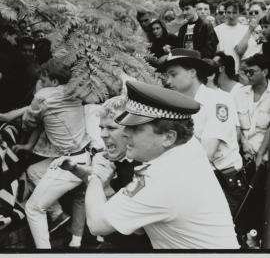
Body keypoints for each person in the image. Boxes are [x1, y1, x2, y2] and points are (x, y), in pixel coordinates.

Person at [83, 80, 239, 249]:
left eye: (135, 128)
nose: (125, 133)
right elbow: (139, 229)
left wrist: (96, 176)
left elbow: (96, 224)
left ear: (168, 137)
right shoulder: (187, 147)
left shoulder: (160, 179)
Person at [54, 95, 152, 250]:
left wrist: (106, 190)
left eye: (111, 128)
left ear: (132, 130)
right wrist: (74, 168)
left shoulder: (144, 167)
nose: (103, 134)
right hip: (115, 241)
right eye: (101, 127)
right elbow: (97, 176)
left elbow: (138, 229)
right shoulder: (115, 155)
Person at [161, 48, 245, 219]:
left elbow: (205, 153)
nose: (167, 81)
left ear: (192, 72)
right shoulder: (178, 107)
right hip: (195, 180)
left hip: (223, 182)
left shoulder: (218, 101)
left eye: (173, 74)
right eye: (166, 75)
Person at [23, 58, 92, 249]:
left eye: (44, 80)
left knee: (33, 208)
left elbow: (28, 121)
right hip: (84, 156)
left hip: (69, 163)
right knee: (34, 171)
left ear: (53, 82)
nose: (41, 84)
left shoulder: (44, 94)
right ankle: (59, 216)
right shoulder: (77, 91)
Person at [235, 53, 270, 239]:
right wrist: (243, 142)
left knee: (258, 199)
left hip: (262, 156)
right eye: (246, 71)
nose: (248, 75)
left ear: (264, 71)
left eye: (252, 71)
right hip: (242, 151)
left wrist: (259, 154)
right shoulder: (240, 93)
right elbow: (235, 122)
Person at [214, 0, 259, 73]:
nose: (231, 16)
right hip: (221, 72)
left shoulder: (246, 30)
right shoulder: (217, 30)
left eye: (234, 13)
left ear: (239, 13)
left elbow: (250, 55)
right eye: (228, 12)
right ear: (225, 12)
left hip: (240, 73)